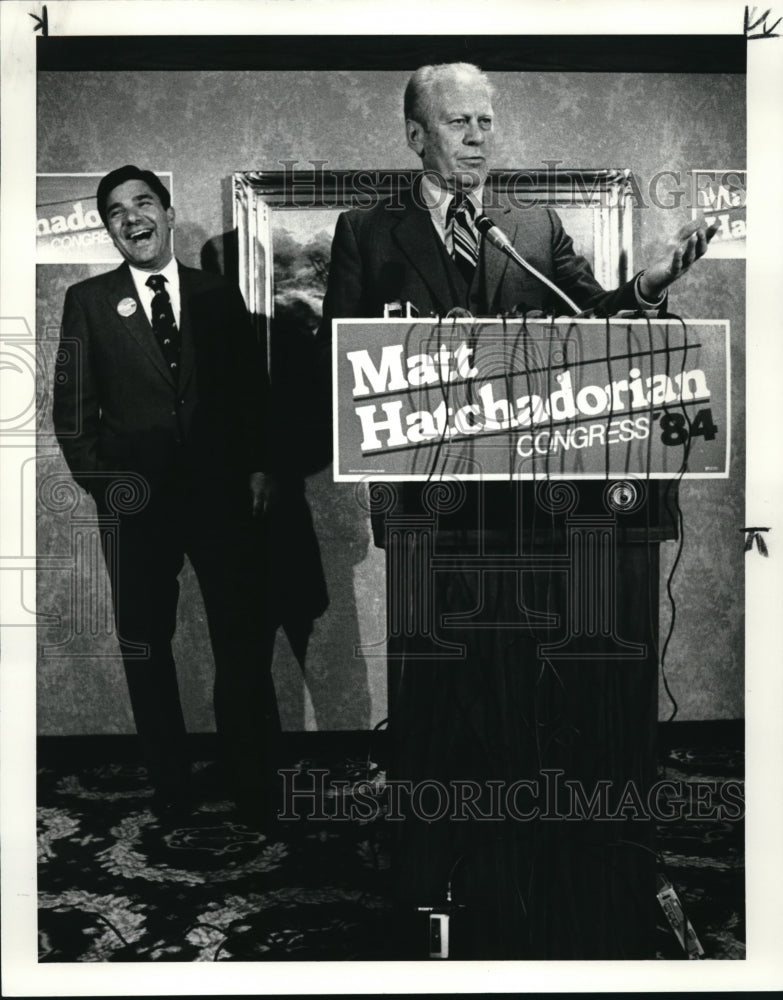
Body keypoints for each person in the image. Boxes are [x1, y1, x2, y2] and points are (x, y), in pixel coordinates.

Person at [317, 63, 716, 959]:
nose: (477, 136)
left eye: (487, 120)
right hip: (427, 514)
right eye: (456, 121)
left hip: (537, 512)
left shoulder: (531, 226)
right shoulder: (365, 231)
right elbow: (340, 373)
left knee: (529, 705)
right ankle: (431, 873)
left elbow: (595, 323)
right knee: (437, 699)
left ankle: (530, 865)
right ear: (414, 135)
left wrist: (645, 290)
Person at [53, 165, 279, 825]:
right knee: (146, 648)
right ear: (108, 229)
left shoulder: (217, 294)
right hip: (137, 508)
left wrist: (259, 466)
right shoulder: (88, 302)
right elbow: (70, 414)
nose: (131, 218)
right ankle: (172, 787)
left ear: (168, 211)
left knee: (240, 642)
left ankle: (249, 777)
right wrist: (109, 488)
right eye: (115, 211)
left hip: (220, 503)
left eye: (142, 202)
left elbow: (249, 396)